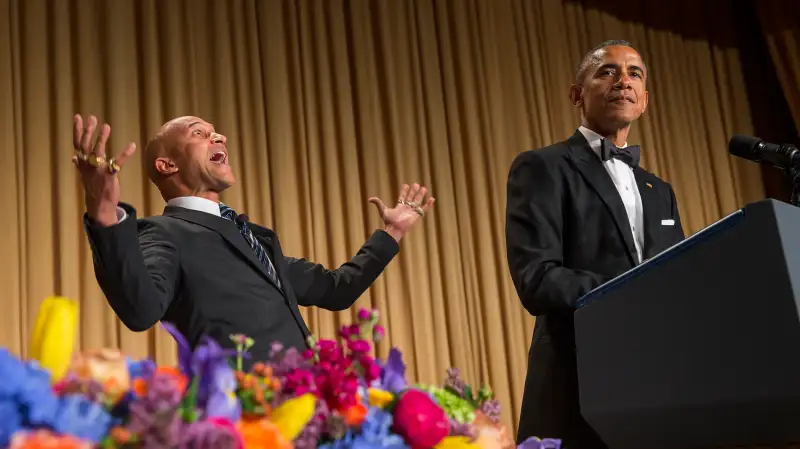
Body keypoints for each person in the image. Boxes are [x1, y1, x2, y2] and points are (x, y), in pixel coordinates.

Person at [73, 114, 435, 364]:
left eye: (216, 132)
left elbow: (337, 289)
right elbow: (140, 309)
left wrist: (393, 233)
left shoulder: (257, 241)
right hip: (251, 421)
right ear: (167, 165)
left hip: (311, 416)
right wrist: (104, 214)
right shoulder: (165, 234)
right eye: (199, 133)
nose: (219, 137)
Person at [505, 40, 686, 448]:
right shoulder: (543, 166)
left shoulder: (661, 191)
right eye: (607, 72)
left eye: (634, 74)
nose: (623, 81)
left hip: (660, 386)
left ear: (644, 102)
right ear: (577, 94)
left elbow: (678, 278)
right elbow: (537, 278)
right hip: (578, 384)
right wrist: (632, 291)